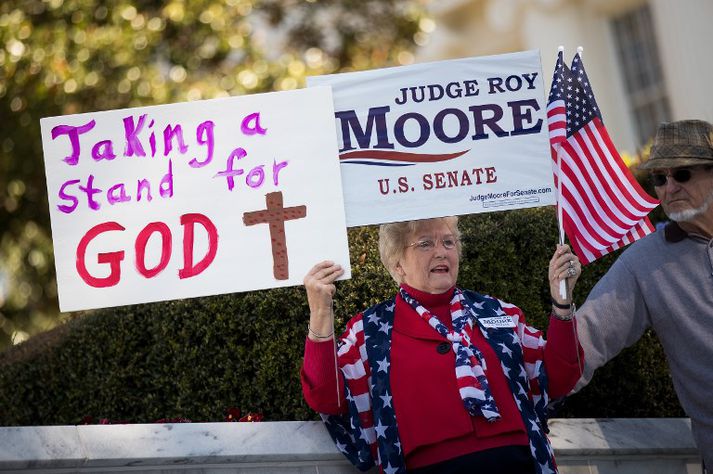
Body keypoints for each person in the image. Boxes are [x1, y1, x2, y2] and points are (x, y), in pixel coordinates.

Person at [301, 216, 584, 473]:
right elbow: (327, 398)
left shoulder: (498, 311)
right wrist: (321, 313)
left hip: (518, 463)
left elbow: (559, 379)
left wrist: (562, 304)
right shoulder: (370, 329)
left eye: (448, 242)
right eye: (425, 244)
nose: (441, 251)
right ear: (397, 264)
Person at [574, 119, 713, 467]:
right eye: (659, 179)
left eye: (681, 174)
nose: (669, 188)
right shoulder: (643, 261)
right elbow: (583, 341)